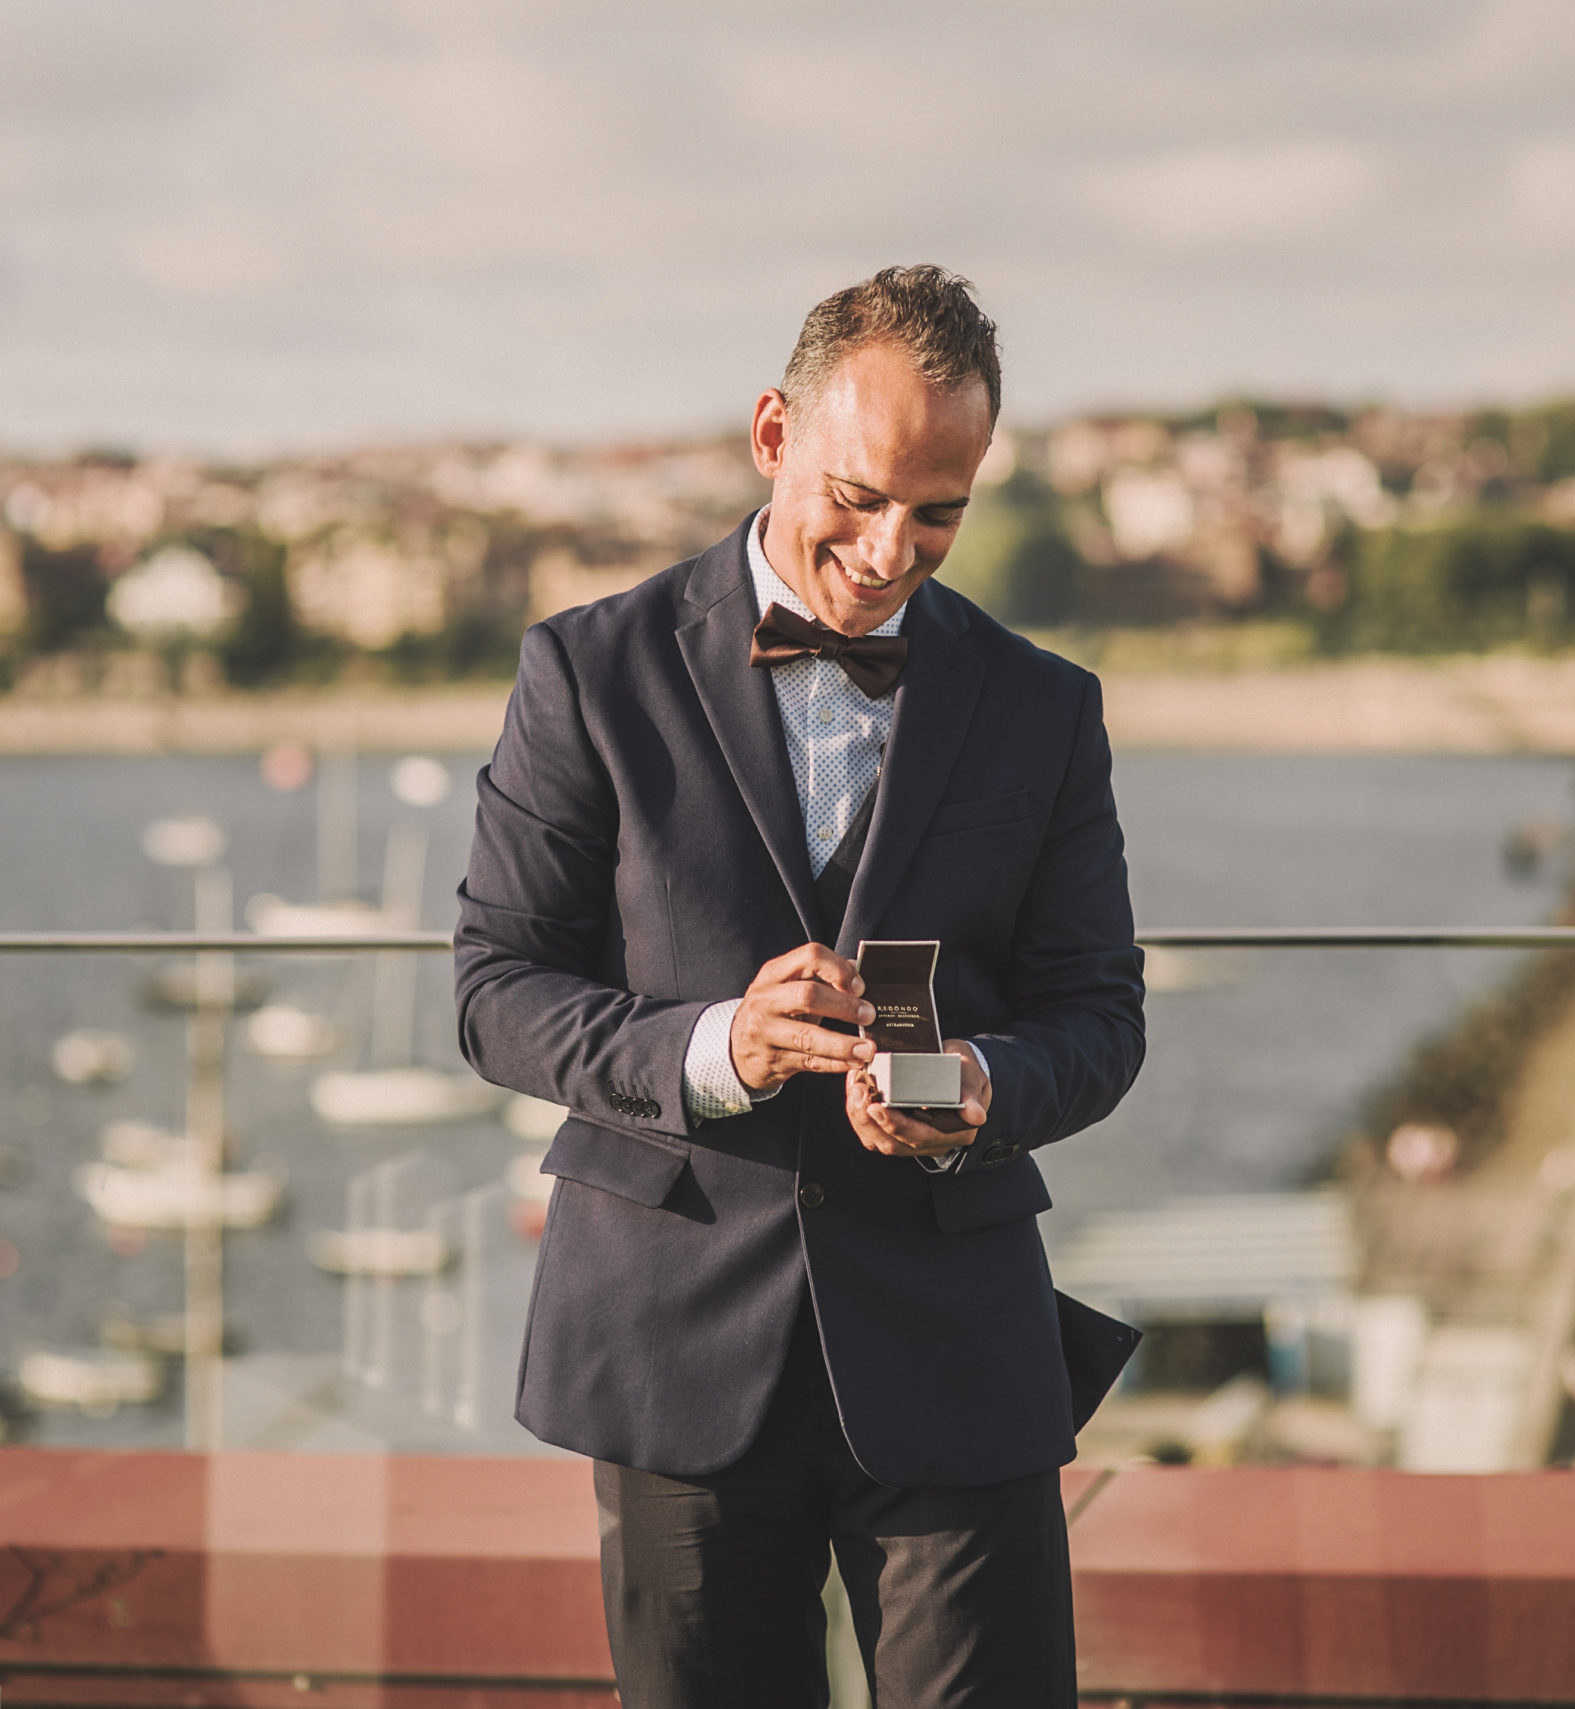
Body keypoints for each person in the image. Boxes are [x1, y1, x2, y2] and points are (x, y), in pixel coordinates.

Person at [454, 264, 1146, 1707]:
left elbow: (1099, 1014)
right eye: (861, 493)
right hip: (673, 1338)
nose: (894, 549)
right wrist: (716, 1047)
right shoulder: (586, 670)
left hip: (955, 1336)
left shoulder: (1046, 706)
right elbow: (495, 990)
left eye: (939, 510)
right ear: (773, 432)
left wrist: (983, 1086)